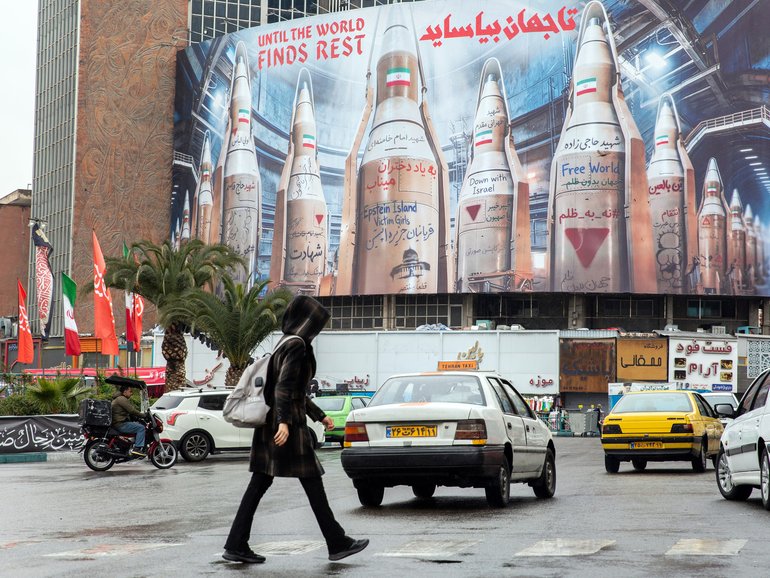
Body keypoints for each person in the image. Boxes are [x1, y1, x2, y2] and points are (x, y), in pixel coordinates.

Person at [223, 295, 368, 565]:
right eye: (316, 323)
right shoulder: (297, 346)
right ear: (306, 322)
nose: (318, 329)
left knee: (260, 484)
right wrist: (284, 422)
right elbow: (284, 388)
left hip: (273, 427)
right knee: (311, 483)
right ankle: (336, 542)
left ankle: (236, 543)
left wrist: (320, 416)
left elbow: (296, 392)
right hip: (286, 428)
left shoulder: (284, 343)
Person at [111, 384, 146, 457]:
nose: (131, 393)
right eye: (130, 391)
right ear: (125, 391)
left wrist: (135, 417)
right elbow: (132, 410)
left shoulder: (118, 398)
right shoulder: (122, 399)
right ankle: (137, 448)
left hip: (117, 422)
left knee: (136, 425)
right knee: (141, 428)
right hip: (120, 424)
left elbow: (126, 412)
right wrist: (144, 415)